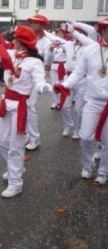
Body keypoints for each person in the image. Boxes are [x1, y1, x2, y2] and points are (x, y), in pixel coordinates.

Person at [0, 25, 52, 197]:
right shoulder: (11, 54)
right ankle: (16, 167)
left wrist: (43, 87)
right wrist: (2, 46)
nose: (13, 41)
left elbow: (39, 80)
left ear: (22, 42)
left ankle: (16, 183)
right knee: (1, 140)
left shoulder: (34, 62)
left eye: (15, 39)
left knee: (16, 146)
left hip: (20, 105)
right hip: (6, 101)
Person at [54, 17, 108, 185]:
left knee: (107, 141)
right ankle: (88, 164)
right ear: (102, 31)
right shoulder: (90, 50)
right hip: (92, 100)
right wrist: (65, 85)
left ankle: (103, 171)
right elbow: (78, 73)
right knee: (85, 136)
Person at [25, 14, 52, 150]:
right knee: (25, 105)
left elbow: (48, 62)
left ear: (42, 26)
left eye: (36, 23)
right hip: (25, 76)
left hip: (36, 77)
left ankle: (35, 138)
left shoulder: (46, 42)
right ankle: (29, 135)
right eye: (32, 23)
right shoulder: (29, 38)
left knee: (30, 106)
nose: (32, 25)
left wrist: (51, 51)